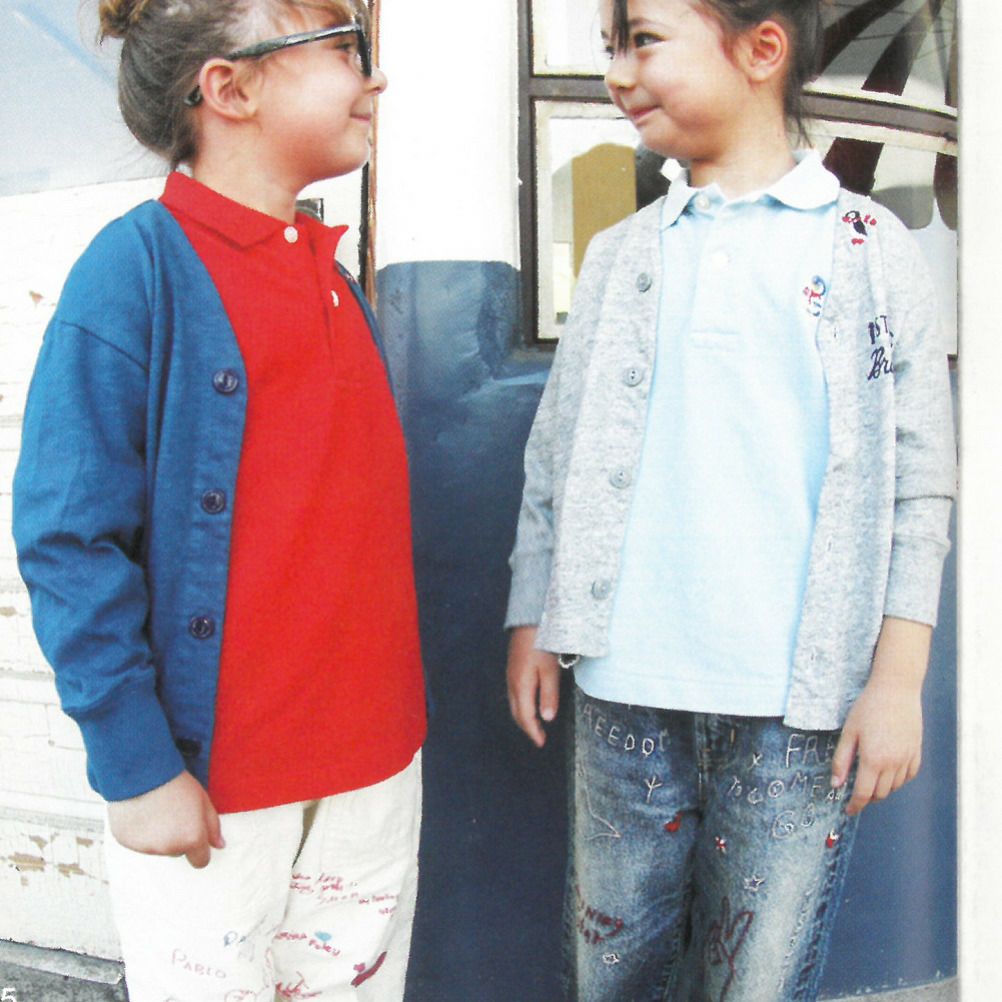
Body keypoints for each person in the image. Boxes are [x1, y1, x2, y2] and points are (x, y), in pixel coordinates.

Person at [504, 0, 955, 998]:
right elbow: (557, 452)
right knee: (611, 972)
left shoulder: (873, 251)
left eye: (643, 40)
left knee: (758, 979)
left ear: (762, 49)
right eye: (609, 47)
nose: (618, 71)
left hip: (800, 719)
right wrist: (535, 610)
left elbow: (919, 482)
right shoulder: (621, 255)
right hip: (623, 691)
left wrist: (897, 680)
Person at [12, 1, 426, 998]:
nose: (372, 77)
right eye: (343, 47)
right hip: (216, 796)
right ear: (229, 89)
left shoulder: (336, 284)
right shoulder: (135, 272)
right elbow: (68, 537)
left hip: (373, 776)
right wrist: (137, 764)